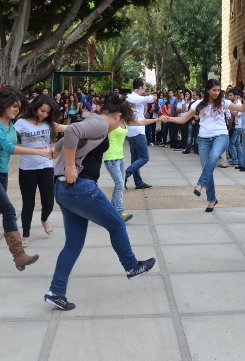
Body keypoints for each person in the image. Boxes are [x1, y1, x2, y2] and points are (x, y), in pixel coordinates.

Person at [45, 94, 157, 310]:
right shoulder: (99, 123)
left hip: (64, 190)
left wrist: (56, 150)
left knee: (73, 244)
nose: (120, 127)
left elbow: (70, 136)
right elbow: (72, 131)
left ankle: (55, 291)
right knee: (116, 224)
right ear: (116, 116)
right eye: (121, 122)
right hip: (80, 188)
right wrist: (69, 165)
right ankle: (131, 266)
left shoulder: (94, 121)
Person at [0, 87, 54, 279]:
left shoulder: (10, 125)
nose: (17, 110)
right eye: (14, 106)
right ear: (4, 104)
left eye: (19, 107)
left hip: (1, 174)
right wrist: (39, 152)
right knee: (8, 210)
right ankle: (19, 255)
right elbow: (8, 147)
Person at [167, 79, 245, 211]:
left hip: (221, 136)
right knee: (206, 168)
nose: (216, 92)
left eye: (218, 90)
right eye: (214, 90)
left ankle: (200, 185)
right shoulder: (198, 104)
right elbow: (184, 119)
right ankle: (212, 199)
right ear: (208, 90)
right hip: (203, 139)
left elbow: (242, 108)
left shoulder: (223, 102)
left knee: (214, 156)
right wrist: (169, 118)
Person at [14, 95, 61, 247]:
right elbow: (9, 142)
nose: (44, 115)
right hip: (27, 168)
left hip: (46, 166)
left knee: (48, 201)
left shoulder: (48, 123)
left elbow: (70, 129)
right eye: (42, 111)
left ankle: (44, 218)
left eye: (47, 113)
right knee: (28, 204)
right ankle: (26, 233)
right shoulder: (21, 123)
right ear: (35, 107)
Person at [125, 78, 156, 190]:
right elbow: (153, 98)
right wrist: (146, 94)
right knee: (144, 157)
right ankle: (125, 175)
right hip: (137, 131)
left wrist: (144, 93)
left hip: (133, 131)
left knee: (135, 158)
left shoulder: (132, 97)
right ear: (140, 87)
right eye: (144, 86)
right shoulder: (134, 97)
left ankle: (138, 182)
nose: (146, 88)